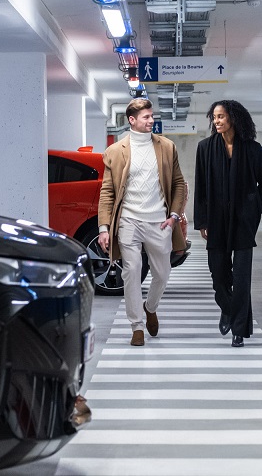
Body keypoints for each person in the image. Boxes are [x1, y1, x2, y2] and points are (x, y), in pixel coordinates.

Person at [98, 98, 187, 346]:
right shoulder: (115, 152)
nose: (151, 120)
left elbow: (179, 183)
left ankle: (151, 306)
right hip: (129, 220)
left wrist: (174, 216)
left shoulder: (167, 147)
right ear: (132, 120)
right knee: (131, 271)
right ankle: (136, 326)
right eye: (146, 117)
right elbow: (107, 191)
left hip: (159, 221)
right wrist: (104, 228)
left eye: (151, 116)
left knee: (162, 273)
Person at [193, 100, 262, 347]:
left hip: (242, 224)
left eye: (221, 117)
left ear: (234, 119)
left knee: (241, 279)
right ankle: (228, 309)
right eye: (214, 117)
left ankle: (239, 331)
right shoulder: (205, 148)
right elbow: (201, 189)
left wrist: (252, 210)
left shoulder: (252, 149)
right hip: (216, 222)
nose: (216, 121)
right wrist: (202, 221)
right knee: (219, 277)